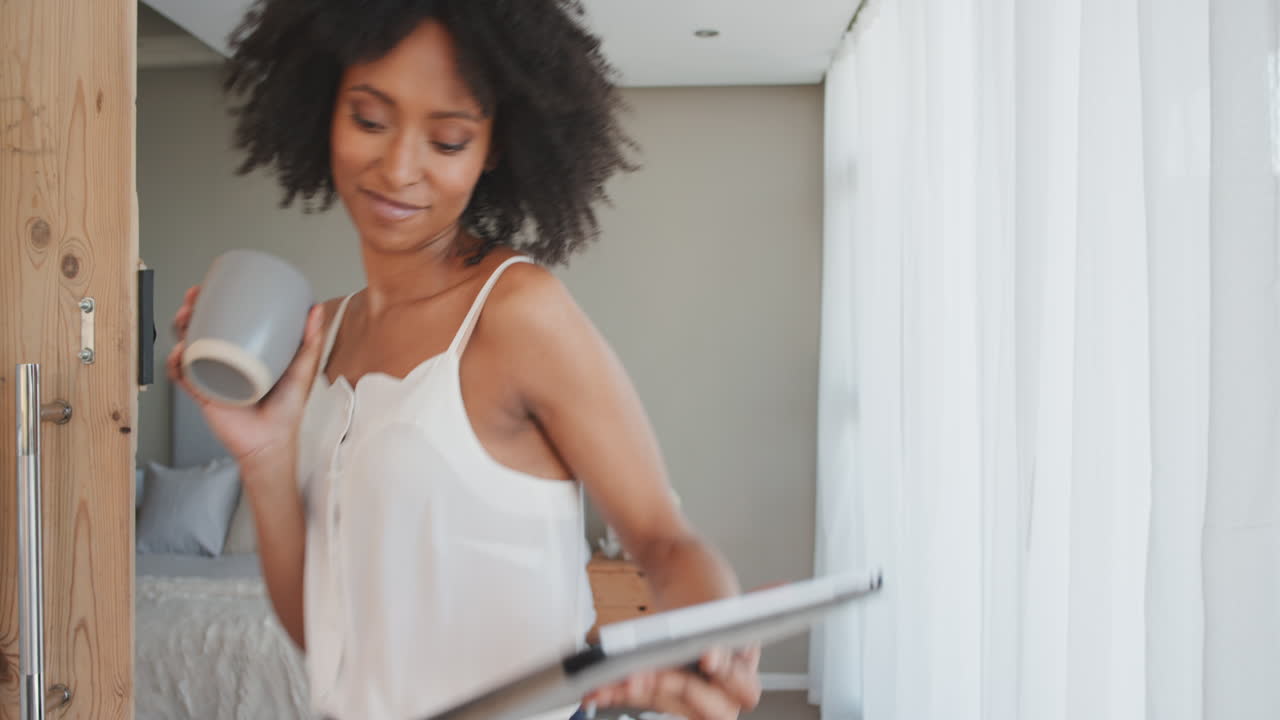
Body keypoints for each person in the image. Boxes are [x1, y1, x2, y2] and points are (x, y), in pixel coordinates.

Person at [167, 1, 762, 719]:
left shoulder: (517, 314)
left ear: (494, 147)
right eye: (369, 120)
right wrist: (262, 458)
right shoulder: (325, 336)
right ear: (325, 108)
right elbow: (323, 639)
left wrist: (704, 646)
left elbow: (664, 542)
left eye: (447, 140)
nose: (399, 167)